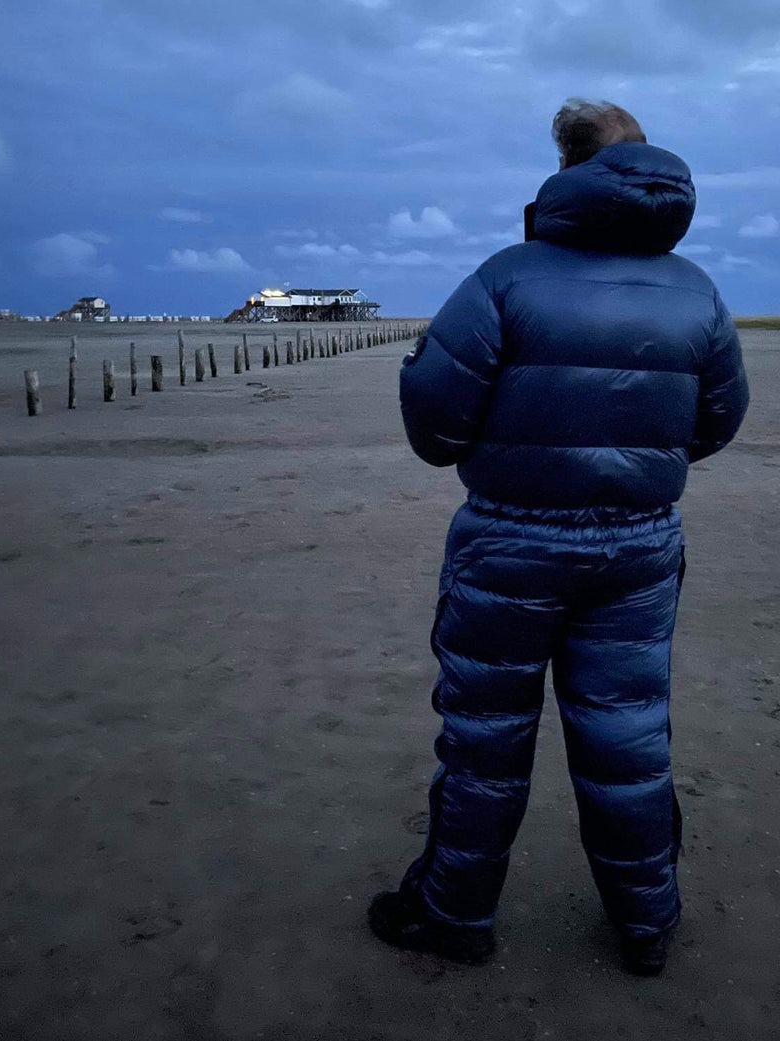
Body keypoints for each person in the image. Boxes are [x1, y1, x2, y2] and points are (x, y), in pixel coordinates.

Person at [368, 99, 749, 976]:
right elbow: (718, 421)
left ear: (567, 169)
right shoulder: (696, 288)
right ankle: (646, 925)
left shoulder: (505, 278)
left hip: (509, 543)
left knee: (485, 740)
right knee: (628, 740)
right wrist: (637, 462)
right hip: (639, 549)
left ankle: (456, 913)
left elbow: (436, 430)